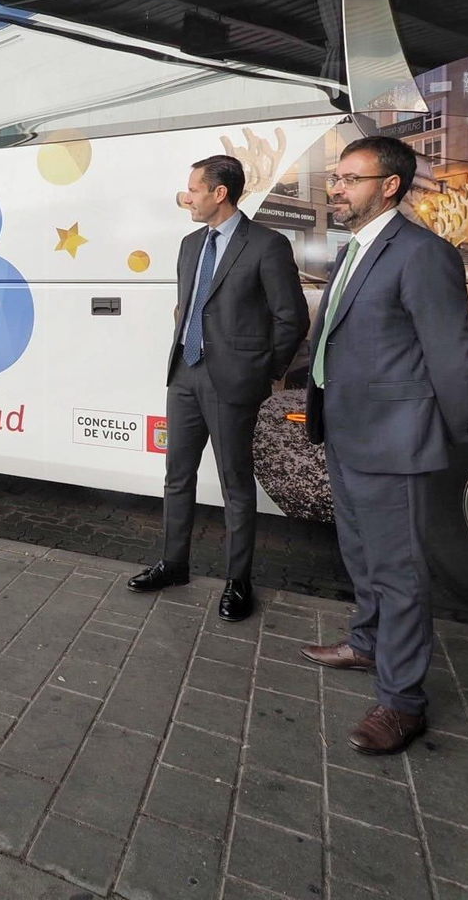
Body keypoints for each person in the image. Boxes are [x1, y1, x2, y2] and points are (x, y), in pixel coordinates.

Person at [302, 136, 468, 755]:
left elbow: (453, 357)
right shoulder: (353, 251)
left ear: (390, 186)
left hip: (394, 440)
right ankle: (367, 643)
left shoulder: (422, 254)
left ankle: (402, 703)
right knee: (360, 553)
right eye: (336, 176)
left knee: (399, 572)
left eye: (351, 178)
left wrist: (449, 434)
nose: (336, 187)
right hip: (347, 432)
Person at [128, 154, 308, 621]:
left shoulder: (266, 245)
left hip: (234, 381)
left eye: (194, 189)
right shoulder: (190, 244)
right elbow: (187, 307)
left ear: (219, 193)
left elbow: (292, 318)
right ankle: (174, 564)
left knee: (235, 483)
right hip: (185, 374)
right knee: (177, 476)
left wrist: (264, 371)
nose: (187, 197)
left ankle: (238, 580)